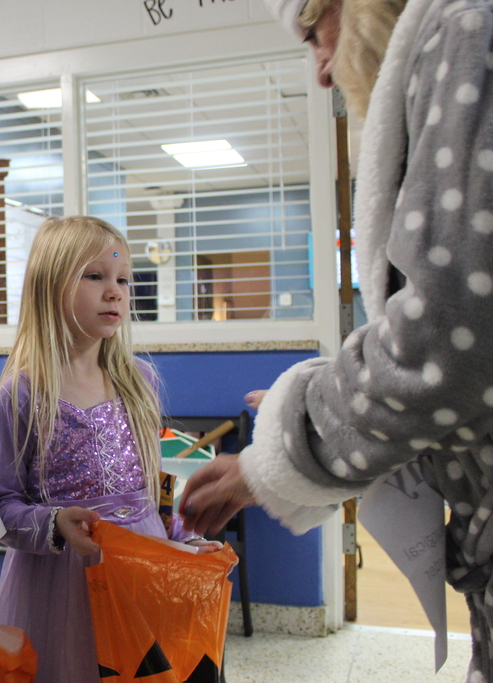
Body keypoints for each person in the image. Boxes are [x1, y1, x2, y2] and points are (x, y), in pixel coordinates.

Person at [181, 0, 493, 677]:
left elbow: (444, 340)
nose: (321, 72)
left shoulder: (468, 29)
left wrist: (282, 447)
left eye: (314, 34)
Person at [0, 215, 221, 683]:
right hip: (60, 585)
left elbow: (151, 487)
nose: (115, 291)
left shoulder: (139, 381)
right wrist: (53, 523)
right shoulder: (24, 391)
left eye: (122, 279)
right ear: (48, 286)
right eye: (94, 276)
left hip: (140, 568)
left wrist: (184, 536)